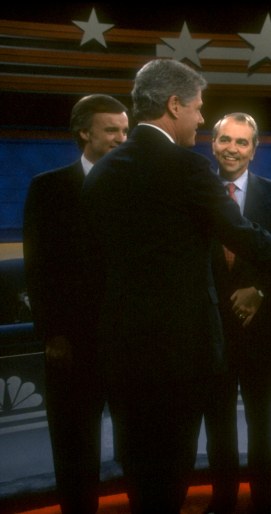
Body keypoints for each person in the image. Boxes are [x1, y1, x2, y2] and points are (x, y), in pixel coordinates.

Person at [80, 58, 271, 514]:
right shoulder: (188, 169)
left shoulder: (102, 173)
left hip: (121, 352)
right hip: (179, 356)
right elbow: (239, 231)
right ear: (174, 105)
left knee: (140, 471)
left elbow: (92, 269)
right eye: (197, 109)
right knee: (172, 472)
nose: (200, 118)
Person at [23, 93, 129, 514]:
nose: (122, 138)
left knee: (137, 448)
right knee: (74, 449)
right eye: (111, 130)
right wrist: (54, 334)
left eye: (125, 130)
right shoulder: (48, 189)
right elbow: (39, 269)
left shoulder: (137, 187)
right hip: (72, 345)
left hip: (127, 340)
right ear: (84, 132)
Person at [202, 112, 271, 514]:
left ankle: (266, 503)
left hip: (260, 328)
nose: (233, 149)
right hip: (210, 330)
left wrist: (259, 290)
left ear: (254, 150)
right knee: (218, 428)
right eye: (225, 140)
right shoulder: (197, 191)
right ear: (213, 144)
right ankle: (222, 502)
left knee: (262, 426)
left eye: (242, 142)